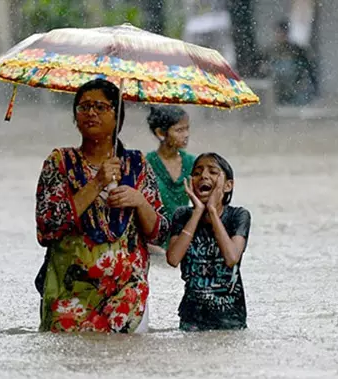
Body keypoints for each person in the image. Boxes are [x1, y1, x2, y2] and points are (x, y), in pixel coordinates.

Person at [35, 79, 169, 333]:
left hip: (127, 295)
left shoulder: (137, 164)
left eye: (100, 106)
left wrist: (139, 201)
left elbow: (160, 232)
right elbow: (47, 228)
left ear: (117, 115)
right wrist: (96, 183)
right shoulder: (60, 162)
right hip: (69, 293)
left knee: (123, 366)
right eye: (83, 107)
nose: (91, 113)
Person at [166, 153, 252, 331]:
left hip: (230, 319)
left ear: (228, 185)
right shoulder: (183, 215)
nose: (203, 176)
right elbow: (173, 258)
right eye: (197, 173)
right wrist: (197, 212)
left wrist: (212, 211)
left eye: (213, 172)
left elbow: (231, 257)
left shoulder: (238, 216)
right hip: (191, 319)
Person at [145, 105, 196, 250]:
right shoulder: (146, 165)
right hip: (153, 244)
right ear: (161, 133)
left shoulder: (193, 164)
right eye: (179, 130)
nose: (186, 134)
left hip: (182, 240)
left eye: (187, 128)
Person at [261, 19, 319, 105]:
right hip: (276, 91)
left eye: (283, 33)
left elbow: (308, 69)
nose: (281, 36)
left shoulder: (296, 50)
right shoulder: (270, 51)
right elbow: (262, 69)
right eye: (279, 33)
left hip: (294, 91)